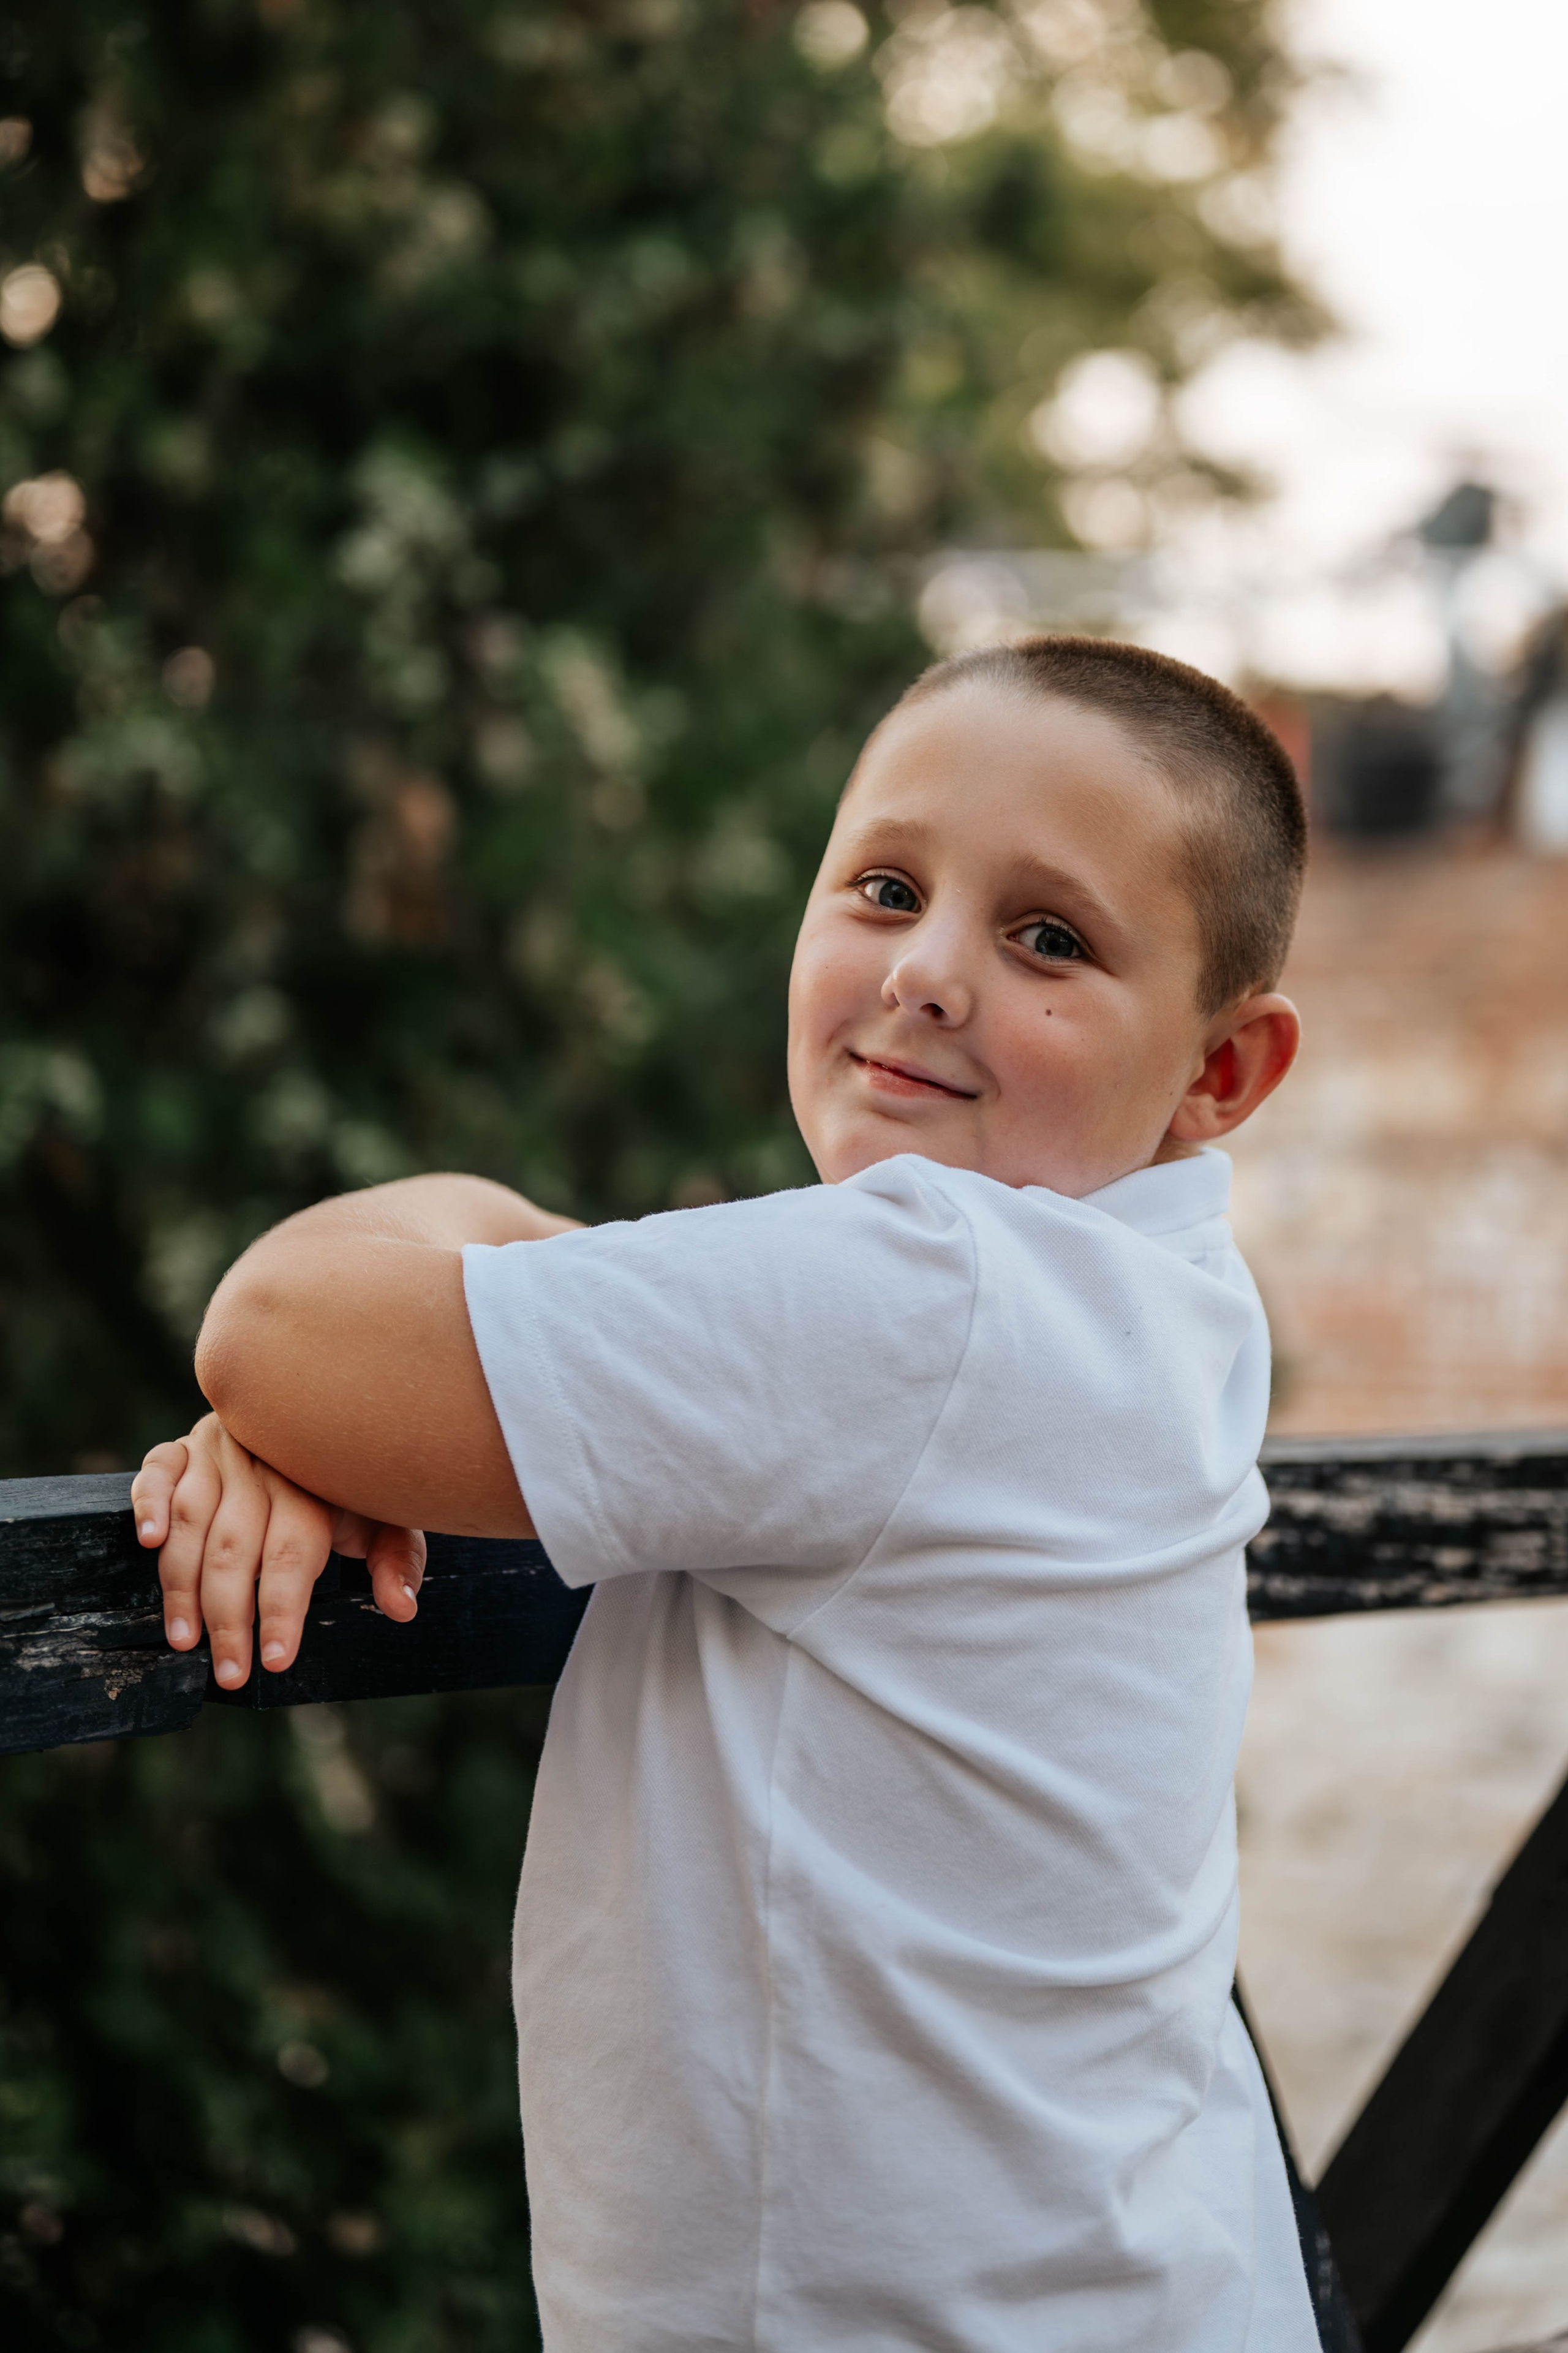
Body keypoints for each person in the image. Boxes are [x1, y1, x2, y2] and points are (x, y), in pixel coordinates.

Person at [132, 635, 1319, 2352]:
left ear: (1221, 1072)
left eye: (1048, 939)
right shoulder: (1156, 1301)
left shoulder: (938, 1297)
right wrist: (384, 1387)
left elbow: (275, 1333)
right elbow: (370, 1352)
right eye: (887, 888)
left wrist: (331, 1397)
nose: (928, 971)